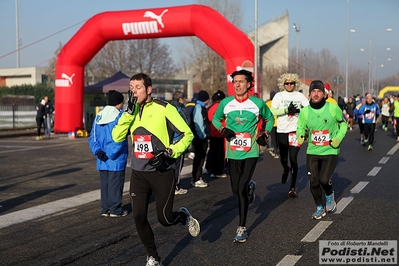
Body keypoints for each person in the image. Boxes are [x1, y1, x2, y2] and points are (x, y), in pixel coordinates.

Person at [112, 73, 198, 266]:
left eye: (138, 87)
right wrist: (128, 114)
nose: (133, 91)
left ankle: (183, 215)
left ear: (149, 89)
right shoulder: (130, 112)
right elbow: (117, 136)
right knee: (139, 217)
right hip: (139, 173)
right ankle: (153, 256)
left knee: (165, 219)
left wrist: (171, 151)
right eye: (131, 87)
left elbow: (187, 134)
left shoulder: (164, 108)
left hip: (162, 172)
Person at [212, 69, 274, 243]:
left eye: (241, 81)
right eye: (235, 82)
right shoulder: (225, 103)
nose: (237, 84)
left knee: (240, 189)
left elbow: (270, 119)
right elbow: (216, 119)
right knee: (236, 191)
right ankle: (249, 187)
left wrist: (265, 134)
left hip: (251, 151)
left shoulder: (257, 103)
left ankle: (242, 227)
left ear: (248, 84)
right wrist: (223, 129)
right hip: (232, 152)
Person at [296, 80, 348, 219]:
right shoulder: (305, 111)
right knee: (313, 181)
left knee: (324, 180)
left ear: (324, 94)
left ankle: (329, 194)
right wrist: (300, 135)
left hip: (330, 149)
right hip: (313, 150)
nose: (316, 94)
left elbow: (344, 124)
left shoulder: (333, 108)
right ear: (310, 94)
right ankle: (319, 207)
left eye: (319, 91)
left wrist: (338, 139)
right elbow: (301, 127)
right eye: (313, 91)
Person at [88, 90, 128, 218]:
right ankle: (115, 209)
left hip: (101, 158)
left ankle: (105, 208)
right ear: (119, 103)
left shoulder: (99, 116)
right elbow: (119, 139)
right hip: (115, 159)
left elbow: (92, 138)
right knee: (115, 185)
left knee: (104, 185)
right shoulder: (120, 116)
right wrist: (110, 153)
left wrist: (98, 151)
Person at [270, 73, 309, 197]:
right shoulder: (278, 95)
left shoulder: (299, 96)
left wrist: (299, 111)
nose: (289, 85)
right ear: (283, 84)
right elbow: (272, 111)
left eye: (292, 83)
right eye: (287, 83)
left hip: (295, 131)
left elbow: (309, 110)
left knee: (293, 158)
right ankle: (285, 169)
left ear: (295, 84)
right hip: (281, 130)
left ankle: (292, 187)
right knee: (283, 158)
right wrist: (286, 110)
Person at [169, 91, 190, 195]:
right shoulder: (181, 110)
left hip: (168, 141)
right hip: (178, 141)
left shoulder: (167, 108)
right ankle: (176, 186)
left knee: (169, 166)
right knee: (178, 165)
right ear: (181, 99)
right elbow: (187, 125)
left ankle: (168, 186)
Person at [190, 90, 211, 188]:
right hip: (200, 138)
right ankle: (197, 178)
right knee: (200, 158)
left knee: (199, 158)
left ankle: (195, 177)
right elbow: (199, 123)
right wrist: (203, 136)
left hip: (198, 137)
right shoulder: (199, 108)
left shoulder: (198, 107)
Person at [205, 90, 227, 178]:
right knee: (220, 153)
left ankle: (208, 168)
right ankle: (217, 171)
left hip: (212, 132)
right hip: (221, 132)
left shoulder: (210, 107)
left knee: (212, 151)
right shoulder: (223, 107)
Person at [266, 90, 279, 159]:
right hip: (279, 123)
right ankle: (276, 148)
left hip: (271, 123)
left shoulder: (268, 103)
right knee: (278, 137)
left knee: (273, 137)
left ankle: (275, 148)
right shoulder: (278, 103)